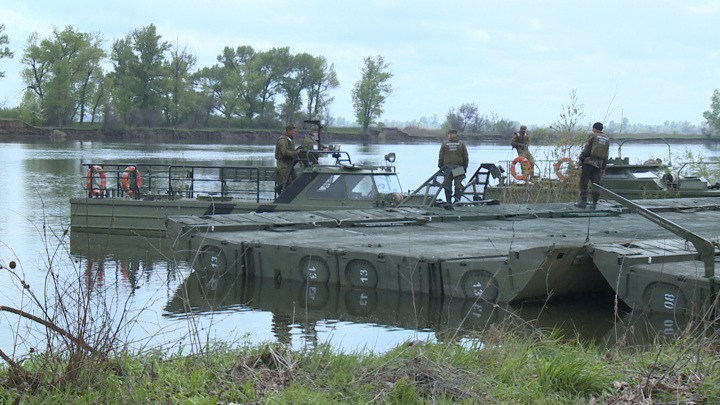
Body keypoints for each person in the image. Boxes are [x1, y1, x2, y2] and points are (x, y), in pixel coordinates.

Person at [575, 122, 610, 209]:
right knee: (596, 183)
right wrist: (603, 167)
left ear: (594, 128)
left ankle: (583, 202)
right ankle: (594, 203)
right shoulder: (606, 139)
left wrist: (581, 158)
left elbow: (587, 148)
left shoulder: (593, 136)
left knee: (584, 182)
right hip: (599, 164)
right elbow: (606, 154)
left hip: (589, 162)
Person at [438, 128, 469, 203]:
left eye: (449, 134)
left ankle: (448, 202)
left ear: (450, 135)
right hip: (458, 168)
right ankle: (457, 201)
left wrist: (440, 166)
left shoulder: (444, 144)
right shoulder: (461, 144)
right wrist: (465, 167)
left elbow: (441, 156)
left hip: (447, 168)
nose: (449, 135)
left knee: (447, 185)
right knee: (458, 184)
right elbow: (465, 156)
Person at [274, 124, 299, 194]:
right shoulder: (283, 140)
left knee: (294, 180)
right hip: (283, 164)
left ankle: (282, 191)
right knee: (287, 182)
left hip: (289, 164)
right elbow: (284, 152)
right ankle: (282, 194)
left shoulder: (289, 139)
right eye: (293, 131)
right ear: (289, 131)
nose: (294, 133)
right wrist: (296, 153)